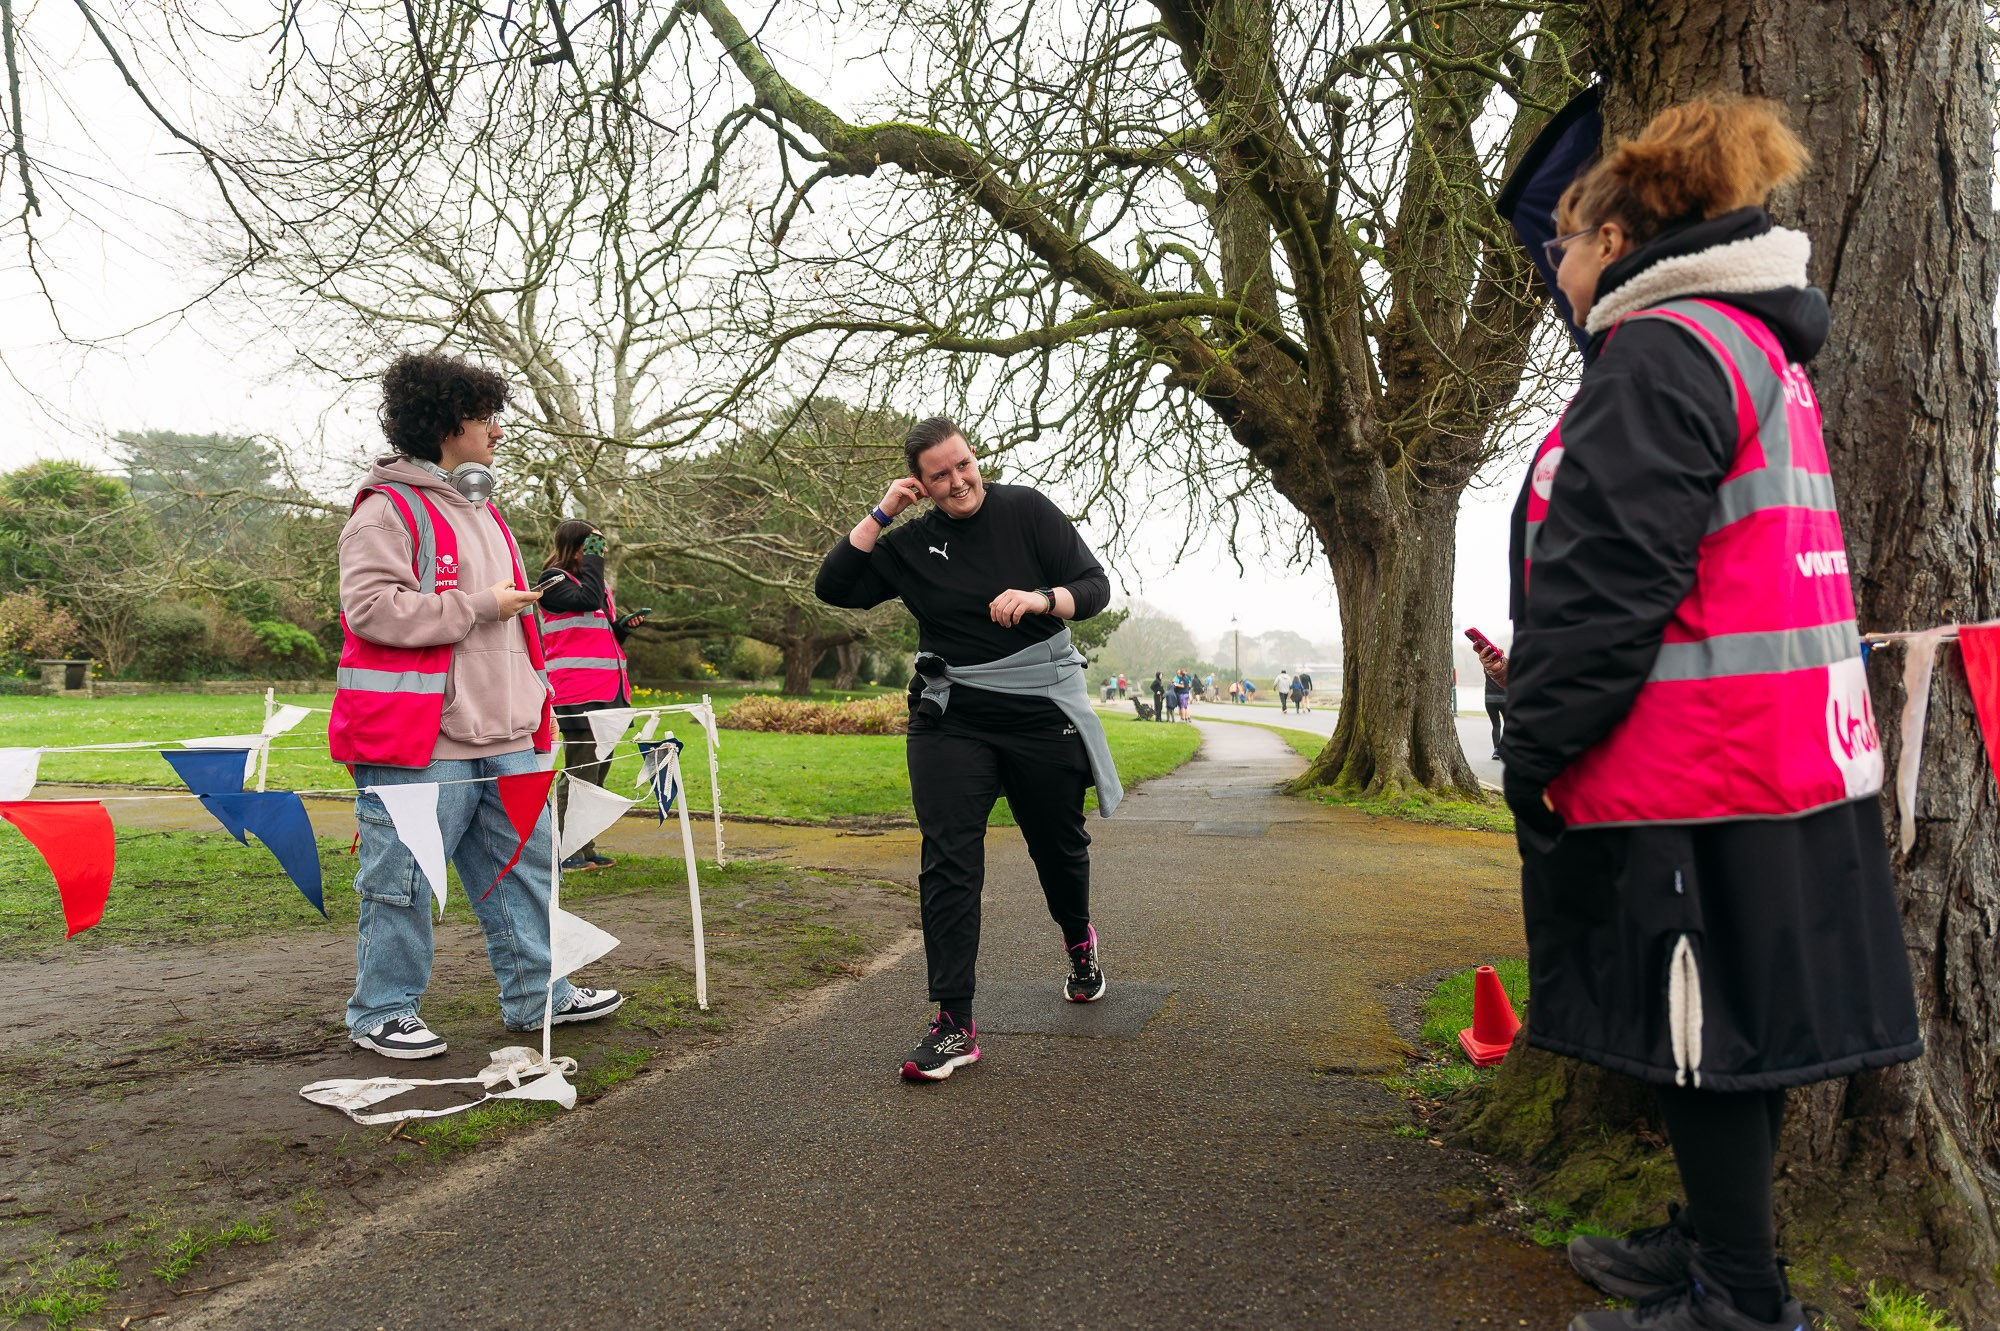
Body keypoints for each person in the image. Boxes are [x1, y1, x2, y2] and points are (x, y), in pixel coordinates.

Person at [1498, 100, 1919, 1331]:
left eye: (1566, 247)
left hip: (1694, 767)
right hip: (1773, 760)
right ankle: (1714, 1241)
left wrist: (1536, 748)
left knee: (1699, 1036)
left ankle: (1740, 1300)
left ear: (1616, 238)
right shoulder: (1745, 345)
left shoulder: (1658, 351)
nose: (1555, 270)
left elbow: (1605, 580)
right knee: (1724, 1028)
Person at [331, 351, 624, 1060]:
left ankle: (538, 995)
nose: (498, 430)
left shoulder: (481, 506)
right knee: (400, 881)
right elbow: (370, 609)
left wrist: (534, 705)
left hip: (509, 734)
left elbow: (510, 628)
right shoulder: (385, 511)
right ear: (445, 422)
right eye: (486, 416)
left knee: (526, 870)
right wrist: (477, 606)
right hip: (422, 742)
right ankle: (382, 1011)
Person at [815, 416, 1120, 1082]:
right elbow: (834, 586)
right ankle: (954, 1023)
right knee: (949, 857)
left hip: (1040, 714)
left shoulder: (1025, 510)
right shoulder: (912, 542)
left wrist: (1043, 599)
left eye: (963, 464)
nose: (958, 481)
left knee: (1058, 847)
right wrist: (882, 512)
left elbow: (1094, 587)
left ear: (975, 457)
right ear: (919, 485)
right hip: (951, 718)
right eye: (939, 475)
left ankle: (1079, 939)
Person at [539, 519, 647, 871]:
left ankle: (584, 846)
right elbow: (583, 601)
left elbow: (598, 633)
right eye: (592, 545)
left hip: (609, 691)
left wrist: (622, 629)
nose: (598, 551)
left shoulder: (595, 585)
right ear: (576, 546)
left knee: (598, 773)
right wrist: (596, 565)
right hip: (577, 692)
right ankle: (560, 848)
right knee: (580, 772)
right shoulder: (552, 580)